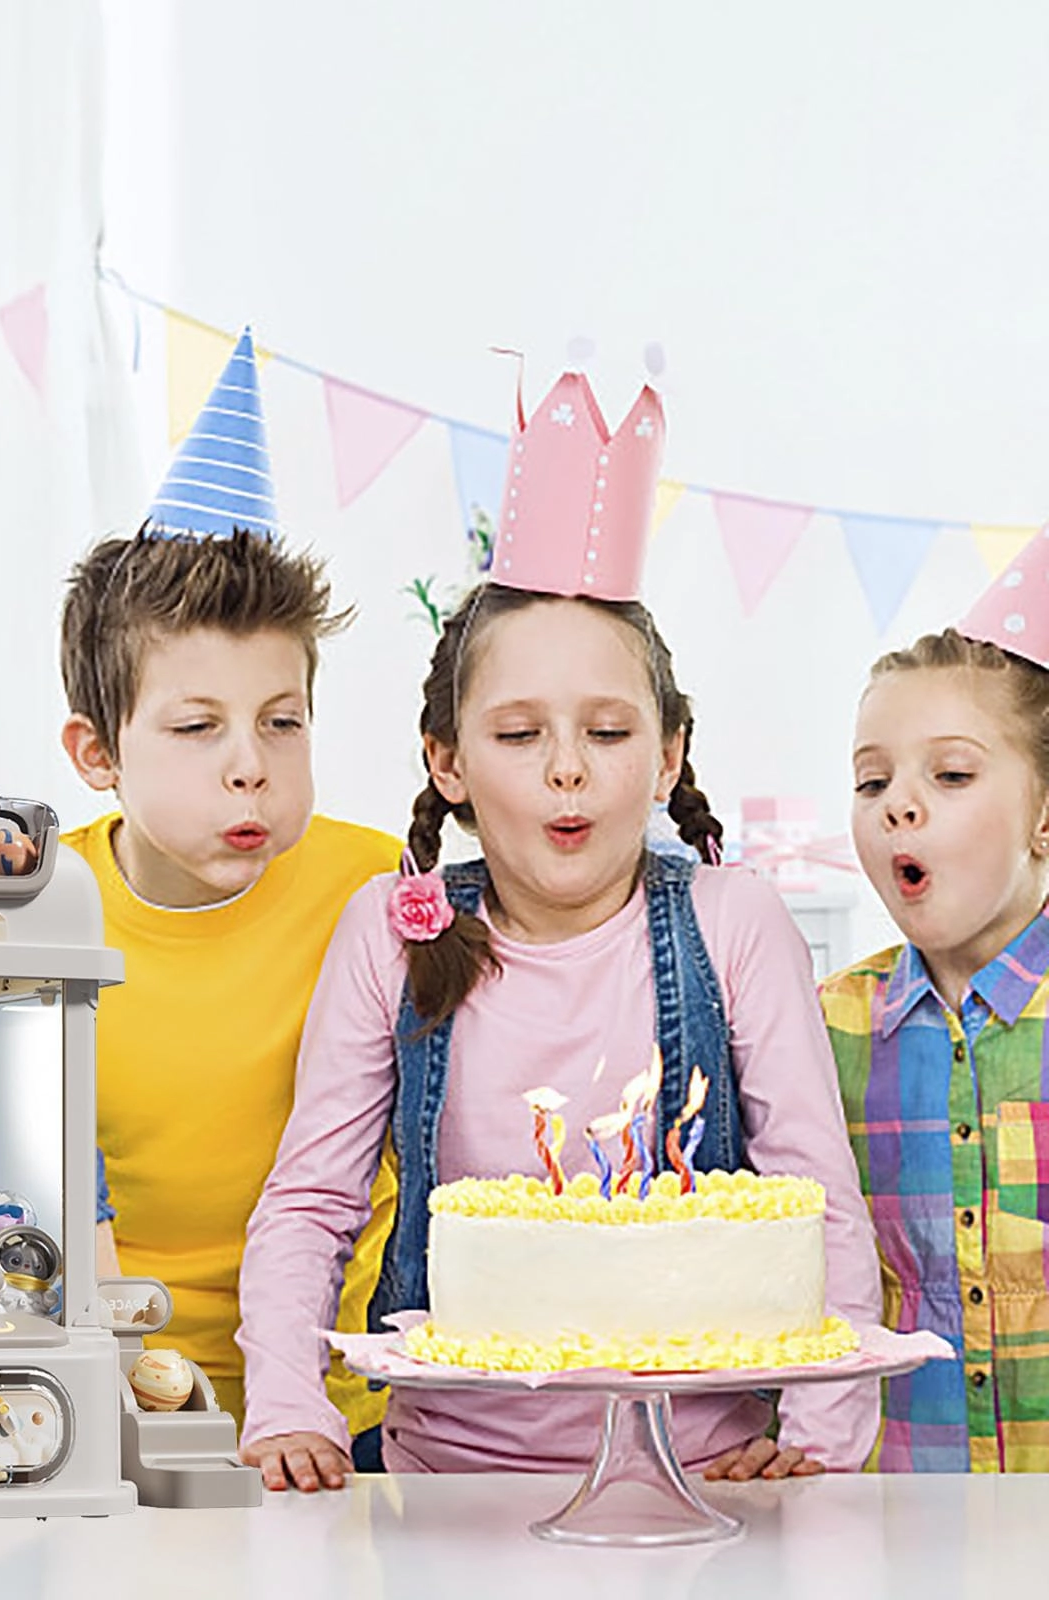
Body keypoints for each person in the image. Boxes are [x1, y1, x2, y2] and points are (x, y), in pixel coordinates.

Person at [237, 368, 882, 1490]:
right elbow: (312, 1198)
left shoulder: (732, 922)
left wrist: (819, 1450)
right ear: (448, 759)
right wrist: (291, 1404)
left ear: (669, 752)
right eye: (520, 732)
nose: (569, 766)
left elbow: (813, 1188)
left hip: (708, 1476)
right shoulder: (391, 933)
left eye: (608, 729)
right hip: (445, 1482)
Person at [58, 330, 398, 1451]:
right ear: (96, 752)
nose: (248, 762)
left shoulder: (374, 883)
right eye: (197, 727)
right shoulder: (33, 907)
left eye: (282, 721)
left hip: (357, 1410)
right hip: (108, 1413)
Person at [822, 530, 1049, 1473]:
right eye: (873, 780)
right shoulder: (822, 1027)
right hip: (895, 1530)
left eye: (950, 775)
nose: (897, 804)